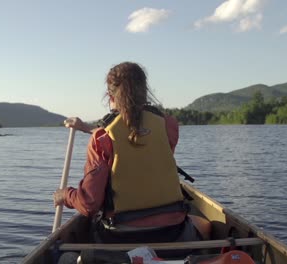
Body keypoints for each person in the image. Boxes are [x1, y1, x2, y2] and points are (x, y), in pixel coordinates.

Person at [53, 62, 210, 252]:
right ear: (145, 92)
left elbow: (89, 204)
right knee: (205, 225)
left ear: (110, 97)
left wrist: (65, 195)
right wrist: (85, 128)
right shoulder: (168, 125)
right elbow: (134, 138)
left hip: (120, 238)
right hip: (173, 232)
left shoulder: (102, 137)